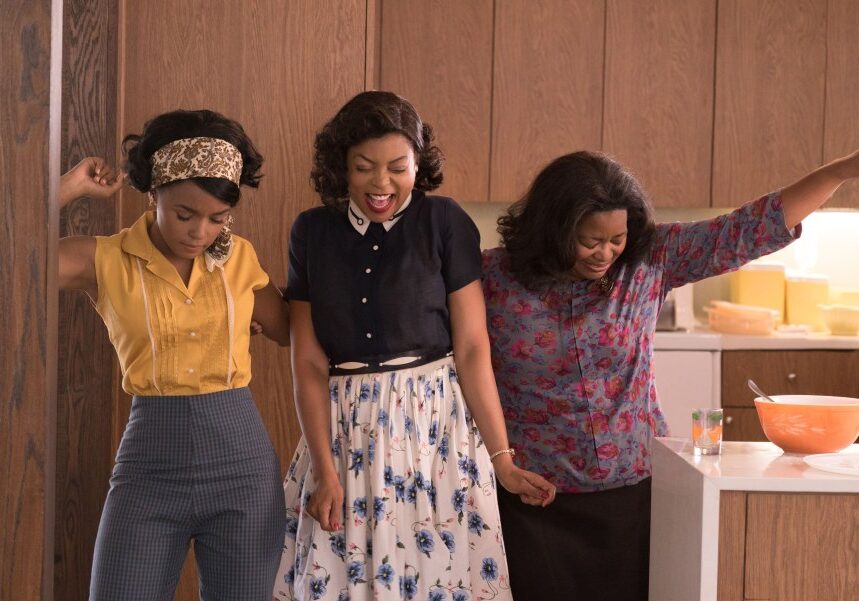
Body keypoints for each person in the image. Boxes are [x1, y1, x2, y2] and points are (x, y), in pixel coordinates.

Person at [481, 148, 859, 600]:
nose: (606, 253)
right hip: (532, 497)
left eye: (617, 238)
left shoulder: (651, 259)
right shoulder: (492, 276)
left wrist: (842, 169)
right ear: (552, 229)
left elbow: (753, 226)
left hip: (636, 492)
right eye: (589, 240)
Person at [272, 91, 556, 601]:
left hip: (435, 435)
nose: (381, 184)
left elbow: (471, 348)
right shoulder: (310, 231)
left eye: (397, 167)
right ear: (341, 168)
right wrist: (324, 466)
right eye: (364, 168)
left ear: (418, 164)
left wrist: (503, 459)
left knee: (437, 582)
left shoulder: (444, 222)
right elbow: (309, 360)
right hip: (344, 433)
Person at [58, 109, 290, 601]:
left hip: (243, 472)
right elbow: (14, 255)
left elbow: (291, 331)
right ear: (153, 194)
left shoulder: (241, 258)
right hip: (148, 468)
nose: (200, 231)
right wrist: (69, 186)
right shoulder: (104, 259)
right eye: (185, 214)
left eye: (217, 218)